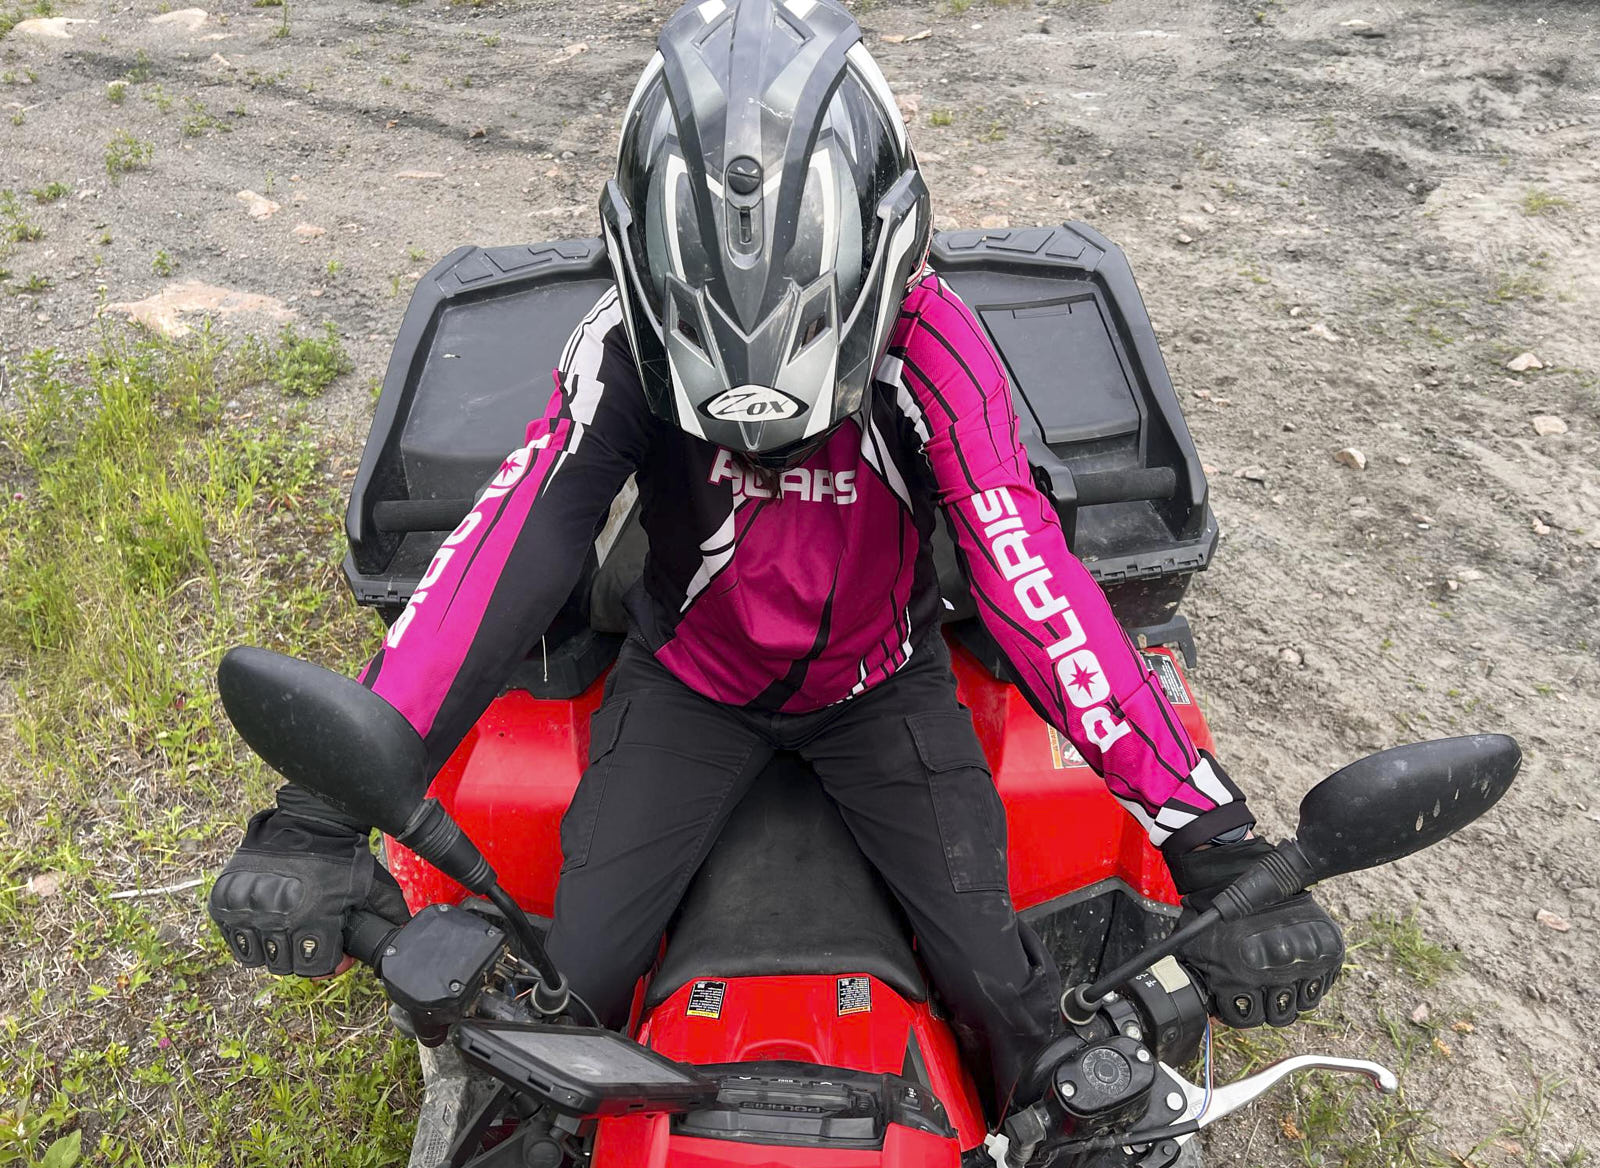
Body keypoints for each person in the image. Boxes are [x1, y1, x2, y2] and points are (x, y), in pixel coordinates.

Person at [208, 0, 1343, 1111]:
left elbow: (1025, 573)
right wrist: (323, 804)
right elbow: (509, 544)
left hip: (879, 685)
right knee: (564, 1007)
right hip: (688, 686)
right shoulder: (621, 341)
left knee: (1010, 1004)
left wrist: (1211, 841)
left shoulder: (934, 339)